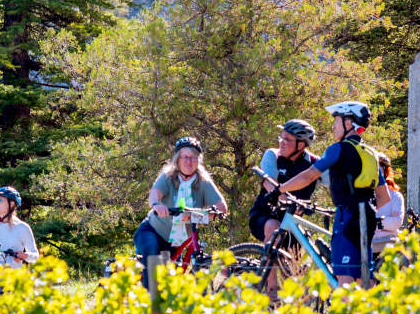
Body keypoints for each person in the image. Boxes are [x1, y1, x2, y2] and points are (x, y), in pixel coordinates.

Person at [277, 101, 389, 286]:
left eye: (336, 121)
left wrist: (280, 189)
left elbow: (309, 176)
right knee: (363, 279)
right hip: (367, 218)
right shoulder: (370, 154)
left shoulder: (338, 149)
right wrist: (363, 206)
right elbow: (385, 197)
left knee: (344, 279)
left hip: (347, 218)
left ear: (348, 123)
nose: (333, 126)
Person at [134, 137, 228, 288]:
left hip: (179, 240)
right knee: (153, 255)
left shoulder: (203, 182)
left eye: (193, 158)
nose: (189, 162)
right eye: (185, 157)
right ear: (177, 159)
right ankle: (151, 304)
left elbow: (222, 208)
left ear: (198, 161)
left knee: (174, 274)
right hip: (153, 231)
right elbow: (154, 195)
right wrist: (157, 205)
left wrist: (196, 215)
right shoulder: (167, 177)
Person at [249, 119, 320, 243]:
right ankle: (269, 261)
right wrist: (288, 201)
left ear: (301, 144)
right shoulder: (273, 155)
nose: (281, 143)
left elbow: (337, 181)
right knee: (274, 228)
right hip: (264, 215)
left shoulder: (314, 164)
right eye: (280, 138)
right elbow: (269, 183)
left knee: (298, 256)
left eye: (286, 140)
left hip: (292, 222)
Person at [0, 186, 39, 269]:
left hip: (12, 279)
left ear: (11, 203)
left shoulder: (22, 228)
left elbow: (35, 257)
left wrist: (25, 256)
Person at [370, 154, 405, 257]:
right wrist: (385, 222)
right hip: (366, 247)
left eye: (379, 168)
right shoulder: (362, 196)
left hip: (389, 247)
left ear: (385, 171)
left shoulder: (396, 196)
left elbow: (396, 222)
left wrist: (374, 222)